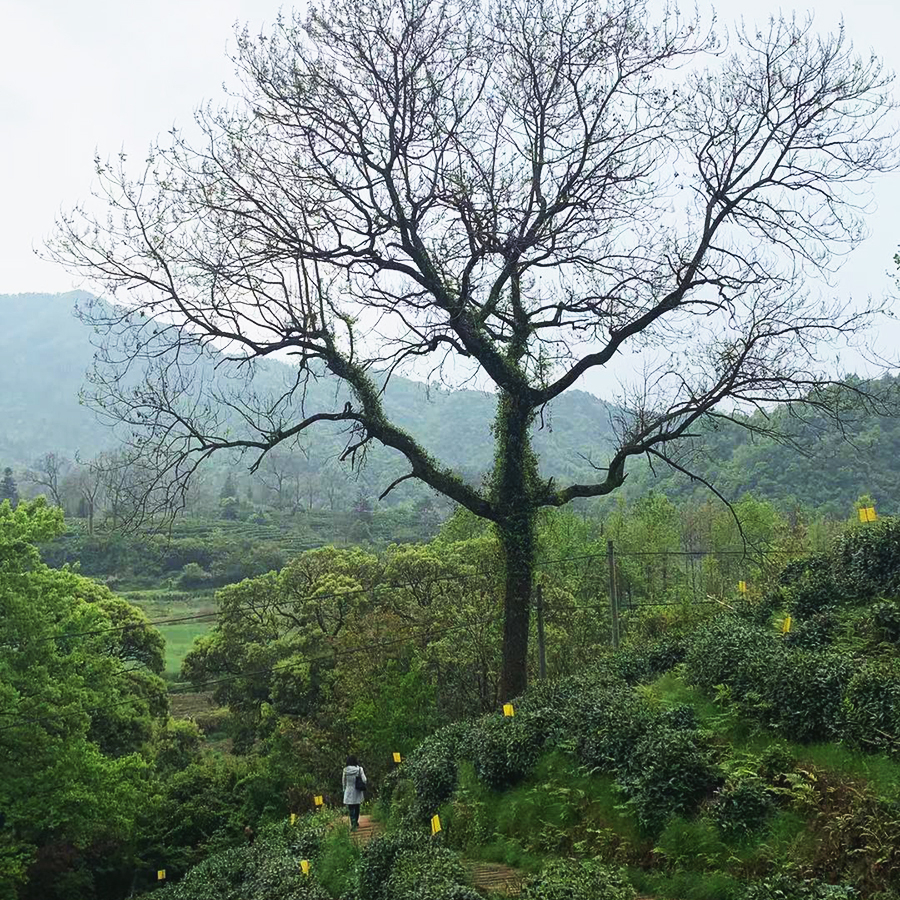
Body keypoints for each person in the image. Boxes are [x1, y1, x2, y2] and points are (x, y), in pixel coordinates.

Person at [342, 754, 367, 831]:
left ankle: (353, 823)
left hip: (349, 790)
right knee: (357, 807)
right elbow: (364, 780)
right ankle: (355, 821)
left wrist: (344, 789)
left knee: (351, 808)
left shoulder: (345, 770)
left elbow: (343, 782)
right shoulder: (359, 769)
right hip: (357, 791)